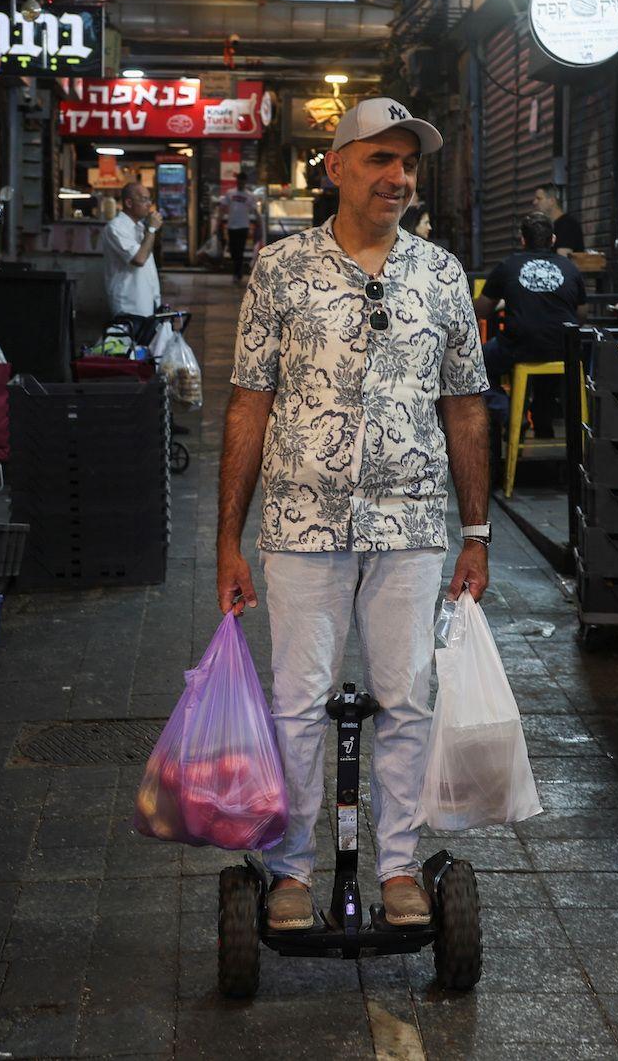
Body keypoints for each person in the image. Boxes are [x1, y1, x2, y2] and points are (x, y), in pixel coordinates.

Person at [218, 96, 491, 935]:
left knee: (406, 696)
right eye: (379, 159)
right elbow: (247, 406)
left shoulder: (442, 275)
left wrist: (475, 532)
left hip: (410, 524)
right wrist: (227, 538)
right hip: (302, 524)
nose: (398, 176)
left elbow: (468, 408)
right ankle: (293, 870)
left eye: (407, 163)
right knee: (298, 702)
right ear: (335, 167)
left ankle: (401, 865)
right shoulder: (280, 270)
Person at [475, 212, 586, 386]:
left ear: (523, 241)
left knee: (475, 363)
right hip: (564, 350)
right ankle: (545, 409)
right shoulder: (570, 268)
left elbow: (482, 310)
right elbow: (581, 315)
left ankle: (500, 410)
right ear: (553, 240)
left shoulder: (508, 265)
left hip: (519, 348)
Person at [101, 181, 162, 320]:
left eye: (149, 200)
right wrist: (151, 230)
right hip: (130, 304)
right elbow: (139, 259)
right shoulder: (116, 228)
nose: (149, 205)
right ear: (129, 203)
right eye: (144, 200)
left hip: (147, 300)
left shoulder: (140, 228)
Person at [218, 180, 261, 278]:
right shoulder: (230, 193)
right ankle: (237, 269)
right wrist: (218, 220)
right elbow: (223, 207)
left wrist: (259, 221)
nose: (241, 184)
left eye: (242, 182)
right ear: (238, 182)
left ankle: (237, 272)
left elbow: (255, 210)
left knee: (240, 249)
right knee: (233, 249)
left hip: (243, 226)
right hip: (231, 225)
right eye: (240, 182)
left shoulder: (249, 195)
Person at [531, 185, 585, 254]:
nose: (534, 202)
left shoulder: (567, 225)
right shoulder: (547, 226)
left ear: (552, 201)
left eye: (539, 198)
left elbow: (563, 258)